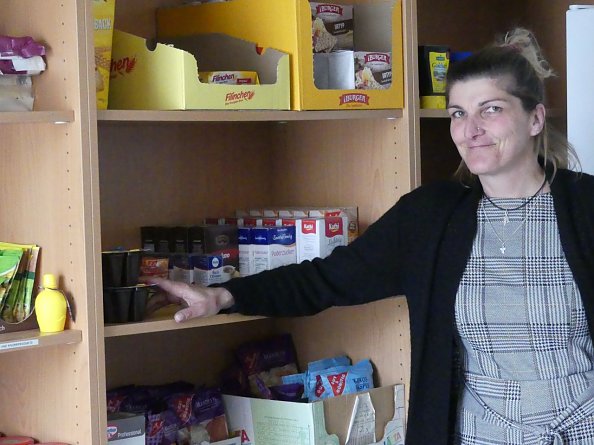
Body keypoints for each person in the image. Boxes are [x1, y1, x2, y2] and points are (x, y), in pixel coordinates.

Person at [146, 28, 594, 444]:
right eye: (458, 113)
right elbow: (328, 278)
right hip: (481, 434)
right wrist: (224, 296)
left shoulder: (586, 207)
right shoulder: (430, 217)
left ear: (535, 119)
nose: (470, 129)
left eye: (491, 109)